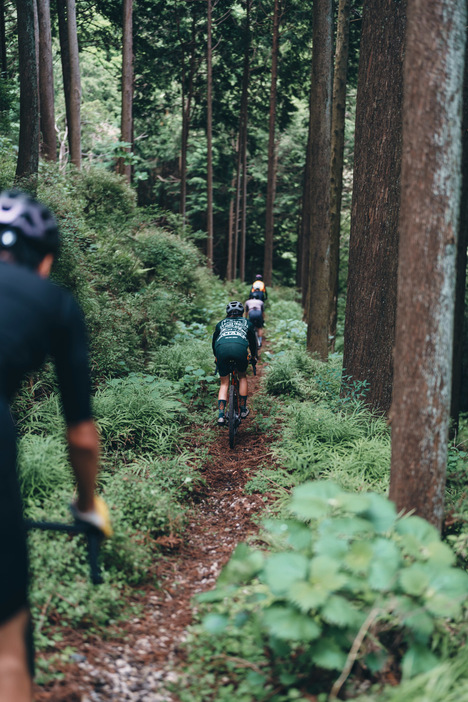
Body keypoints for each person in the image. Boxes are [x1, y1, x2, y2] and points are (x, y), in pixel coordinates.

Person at [0, 190, 111, 702]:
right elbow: (82, 437)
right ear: (44, 259)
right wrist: (88, 506)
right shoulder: (53, 302)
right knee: (7, 651)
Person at [212, 301, 257, 426]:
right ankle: (243, 409)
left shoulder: (221, 323)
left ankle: (221, 415)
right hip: (240, 350)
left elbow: (214, 341)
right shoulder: (247, 322)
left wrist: (216, 356)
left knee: (224, 383)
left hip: (221, 350)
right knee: (242, 376)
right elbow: (253, 342)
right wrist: (253, 356)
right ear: (242, 312)